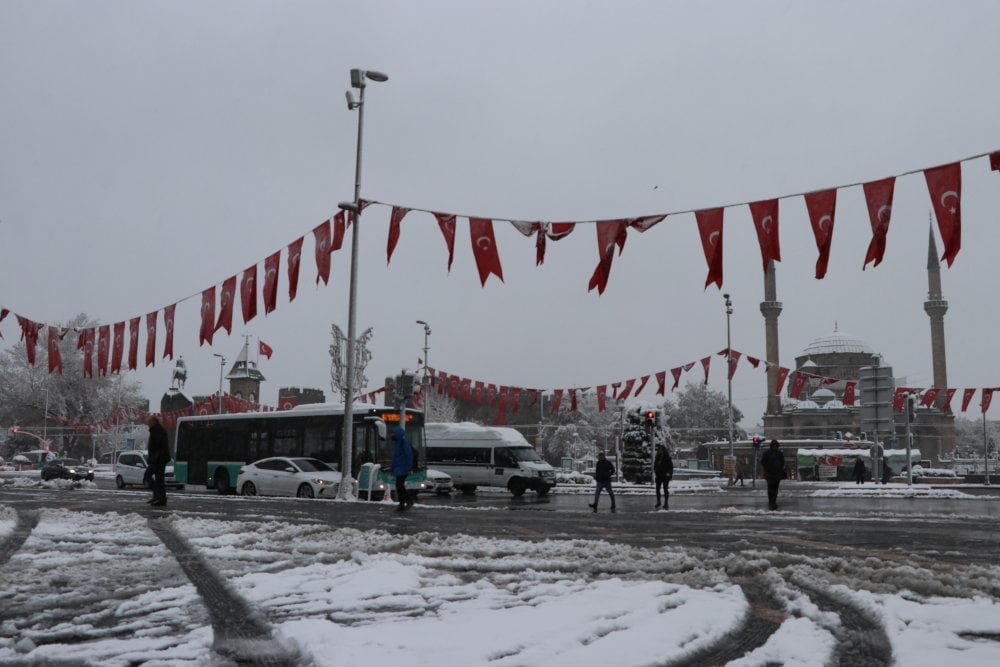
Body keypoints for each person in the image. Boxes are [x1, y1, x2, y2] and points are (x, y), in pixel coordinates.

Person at [146, 416, 170, 507]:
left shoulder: (159, 431)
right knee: (159, 480)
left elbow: (160, 447)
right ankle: (161, 499)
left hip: (159, 460)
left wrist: (154, 459)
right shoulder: (155, 430)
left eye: (149, 422)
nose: (148, 424)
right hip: (158, 459)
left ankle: (158, 496)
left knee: (148, 476)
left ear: (154, 422)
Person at [390, 426, 414, 511]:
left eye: (393, 433)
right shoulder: (397, 444)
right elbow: (395, 458)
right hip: (399, 469)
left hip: (403, 469)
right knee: (399, 486)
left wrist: (408, 467)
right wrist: (392, 468)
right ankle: (403, 503)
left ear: (397, 434)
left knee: (400, 486)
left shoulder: (403, 443)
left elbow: (409, 456)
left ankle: (406, 502)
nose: (391, 435)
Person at [760, 439, 786, 511]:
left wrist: (780, 470)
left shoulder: (779, 453)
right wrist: (767, 469)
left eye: (776, 445)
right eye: (774, 445)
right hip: (769, 474)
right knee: (770, 489)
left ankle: (773, 502)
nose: (775, 447)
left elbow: (782, 462)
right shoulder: (767, 453)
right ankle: (771, 502)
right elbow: (763, 462)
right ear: (771, 446)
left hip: (777, 474)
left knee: (775, 489)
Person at [653, 445, 674, 509]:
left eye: (661, 450)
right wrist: (656, 471)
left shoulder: (667, 457)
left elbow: (671, 467)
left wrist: (668, 473)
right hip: (659, 475)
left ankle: (666, 503)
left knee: (665, 490)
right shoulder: (657, 457)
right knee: (657, 489)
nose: (660, 451)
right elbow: (655, 465)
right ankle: (658, 502)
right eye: (659, 450)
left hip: (665, 476)